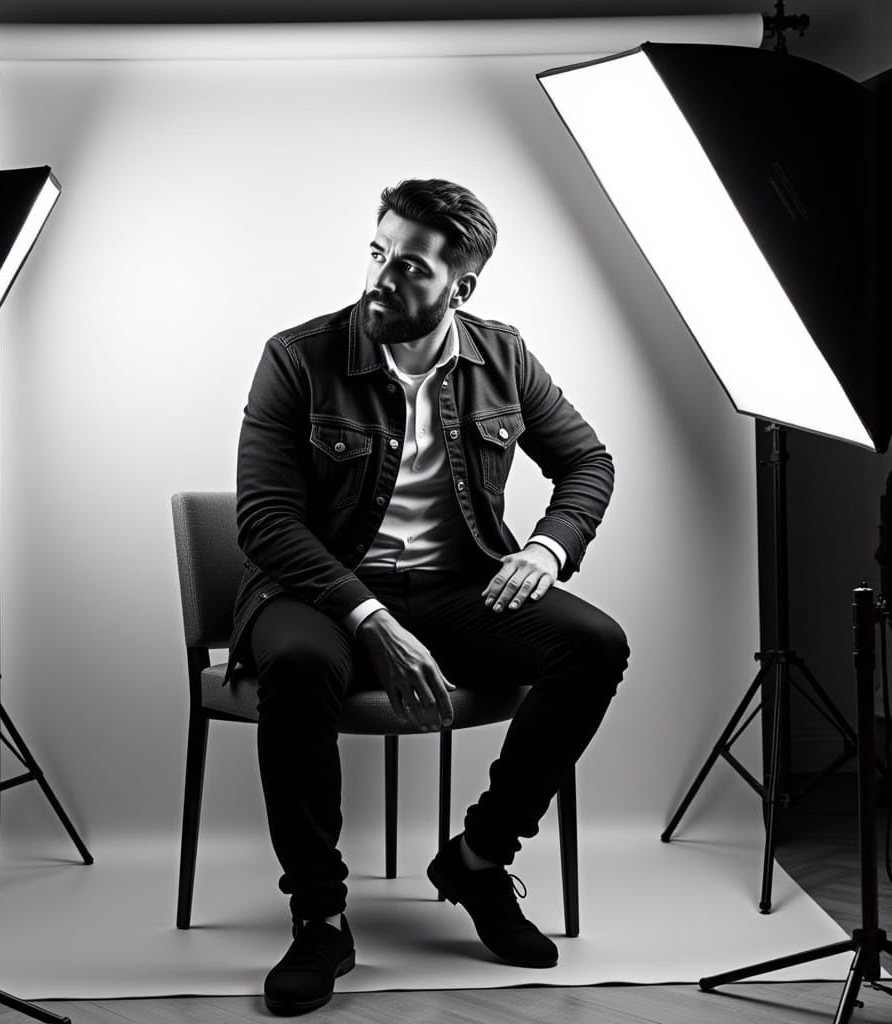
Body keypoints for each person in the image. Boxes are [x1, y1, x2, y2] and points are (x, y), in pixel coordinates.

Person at [230, 178, 629, 1016]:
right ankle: (319, 916)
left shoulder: (502, 356)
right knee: (301, 665)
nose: (380, 279)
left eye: (408, 267)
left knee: (594, 644)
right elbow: (264, 520)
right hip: (319, 588)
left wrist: (549, 549)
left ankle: (480, 860)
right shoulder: (298, 356)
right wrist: (370, 619)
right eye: (377, 254)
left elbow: (588, 462)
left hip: (454, 588)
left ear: (461, 286)